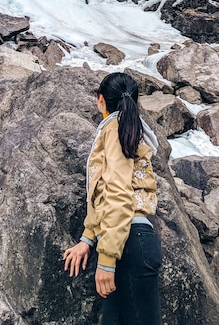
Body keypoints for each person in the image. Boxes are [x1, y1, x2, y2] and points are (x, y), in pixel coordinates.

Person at [63, 72, 162, 325]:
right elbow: (104, 193)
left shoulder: (114, 129)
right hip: (130, 243)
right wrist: (87, 238)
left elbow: (118, 194)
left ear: (100, 101)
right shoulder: (127, 128)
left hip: (128, 245)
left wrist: (106, 261)